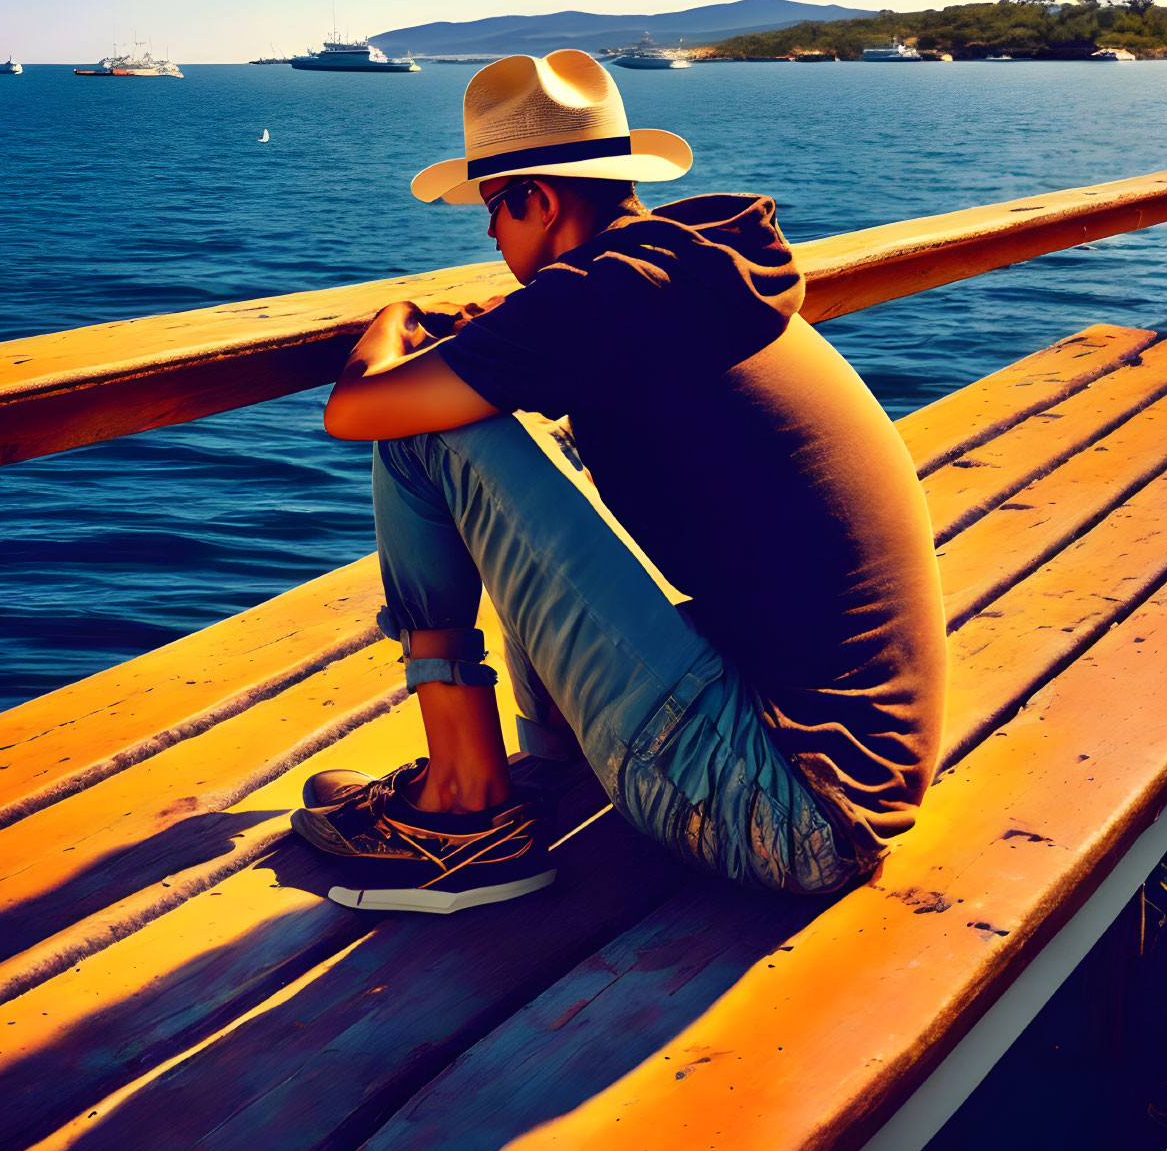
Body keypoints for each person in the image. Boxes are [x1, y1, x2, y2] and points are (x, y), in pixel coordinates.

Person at [290, 48, 947, 913]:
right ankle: (541, 770)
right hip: (852, 776)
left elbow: (357, 408)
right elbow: (563, 351)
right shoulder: (678, 279)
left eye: (494, 210)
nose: (489, 237)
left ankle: (463, 805)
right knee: (498, 424)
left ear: (538, 199)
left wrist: (396, 318)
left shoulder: (601, 305)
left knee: (426, 435)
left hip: (786, 814)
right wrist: (496, 336)